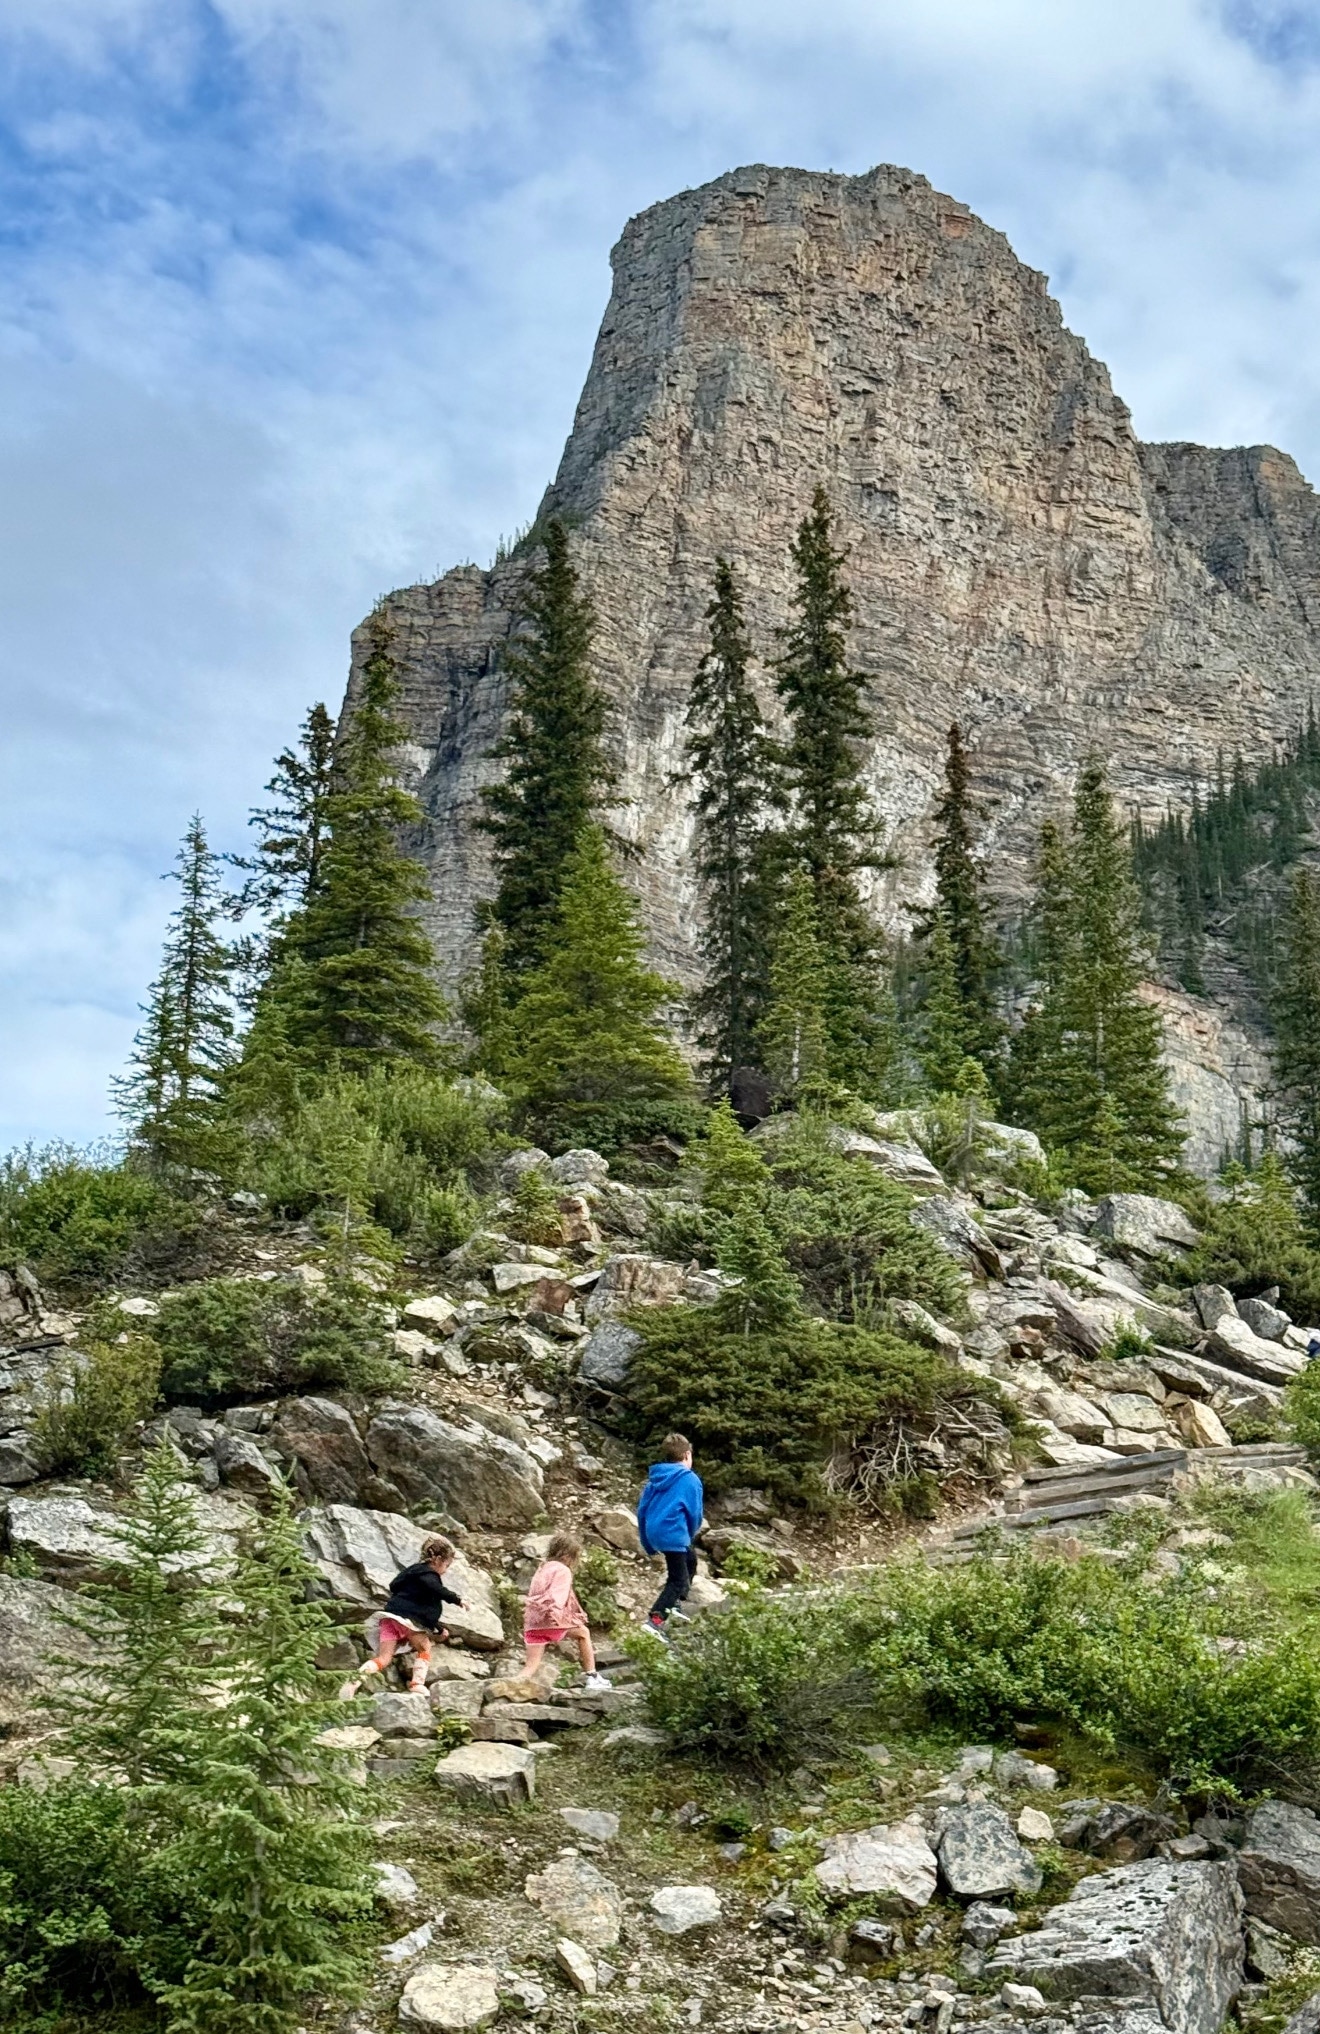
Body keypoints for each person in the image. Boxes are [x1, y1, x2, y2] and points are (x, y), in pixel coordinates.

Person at [341, 1534, 465, 1698]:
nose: (445, 1570)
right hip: (407, 1621)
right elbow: (435, 1593)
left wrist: (437, 1627)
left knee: (384, 1658)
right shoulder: (429, 1576)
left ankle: (355, 1680)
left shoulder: (411, 1573)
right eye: (447, 1565)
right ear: (438, 1560)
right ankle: (417, 1684)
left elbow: (419, 1607)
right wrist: (457, 1600)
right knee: (424, 1647)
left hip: (389, 1618)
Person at [522, 1530, 612, 1693]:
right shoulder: (563, 1570)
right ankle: (592, 1677)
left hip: (532, 1622)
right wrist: (556, 1616)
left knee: (530, 1667)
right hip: (550, 1618)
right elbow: (558, 1596)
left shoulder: (542, 1568)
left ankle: (509, 1685)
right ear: (567, 1555)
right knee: (583, 1633)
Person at [636, 1432, 704, 1634]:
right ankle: (655, 1621)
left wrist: (646, 1540)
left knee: (690, 1561)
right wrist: (688, 1535)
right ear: (687, 1455)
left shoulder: (655, 1479)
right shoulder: (690, 1479)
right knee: (678, 1579)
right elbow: (695, 1513)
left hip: (655, 1530)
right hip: (674, 1532)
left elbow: (642, 1510)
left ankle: (673, 1604)